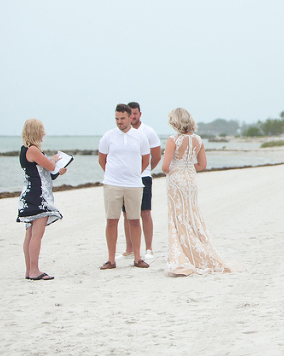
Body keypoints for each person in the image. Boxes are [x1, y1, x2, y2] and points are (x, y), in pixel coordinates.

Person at [162, 107, 230, 275]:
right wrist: (186, 166)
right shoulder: (198, 140)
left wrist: (177, 167)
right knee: (192, 214)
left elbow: (165, 167)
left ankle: (182, 256)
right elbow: (202, 165)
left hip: (176, 180)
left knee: (177, 216)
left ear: (175, 121)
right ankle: (196, 253)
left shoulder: (173, 140)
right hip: (191, 180)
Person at [98, 104, 151, 270]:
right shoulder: (108, 136)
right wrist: (113, 175)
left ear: (130, 118)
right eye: (117, 119)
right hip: (112, 184)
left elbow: (146, 159)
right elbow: (102, 159)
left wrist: (134, 174)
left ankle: (137, 258)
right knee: (112, 221)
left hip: (134, 185)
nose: (119, 122)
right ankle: (111, 260)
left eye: (122, 118)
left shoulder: (140, 137)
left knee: (134, 221)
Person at [17, 119, 67, 280]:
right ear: (35, 132)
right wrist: (54, 161)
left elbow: (45, 173)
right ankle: (34, 271)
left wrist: (57, 169)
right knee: (36, 234)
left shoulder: (25, 149)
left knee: (31, 234)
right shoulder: (32, 150)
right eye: (41, 130)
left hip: (30, 194)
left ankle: (29, 270)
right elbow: (50, 167)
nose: (43, 134)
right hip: (38, 196)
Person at [120, 102, 162, 261]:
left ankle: (149, 248)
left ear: (140, 114)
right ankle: (129, 248)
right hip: (126, 179)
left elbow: (157, 156)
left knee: (145, 212)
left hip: (143, 177)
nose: (133, 117)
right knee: (127, 214)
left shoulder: (148, 132)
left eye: (135, 114)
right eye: (130, 114)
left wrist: (146, 169)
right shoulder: (123, 132)